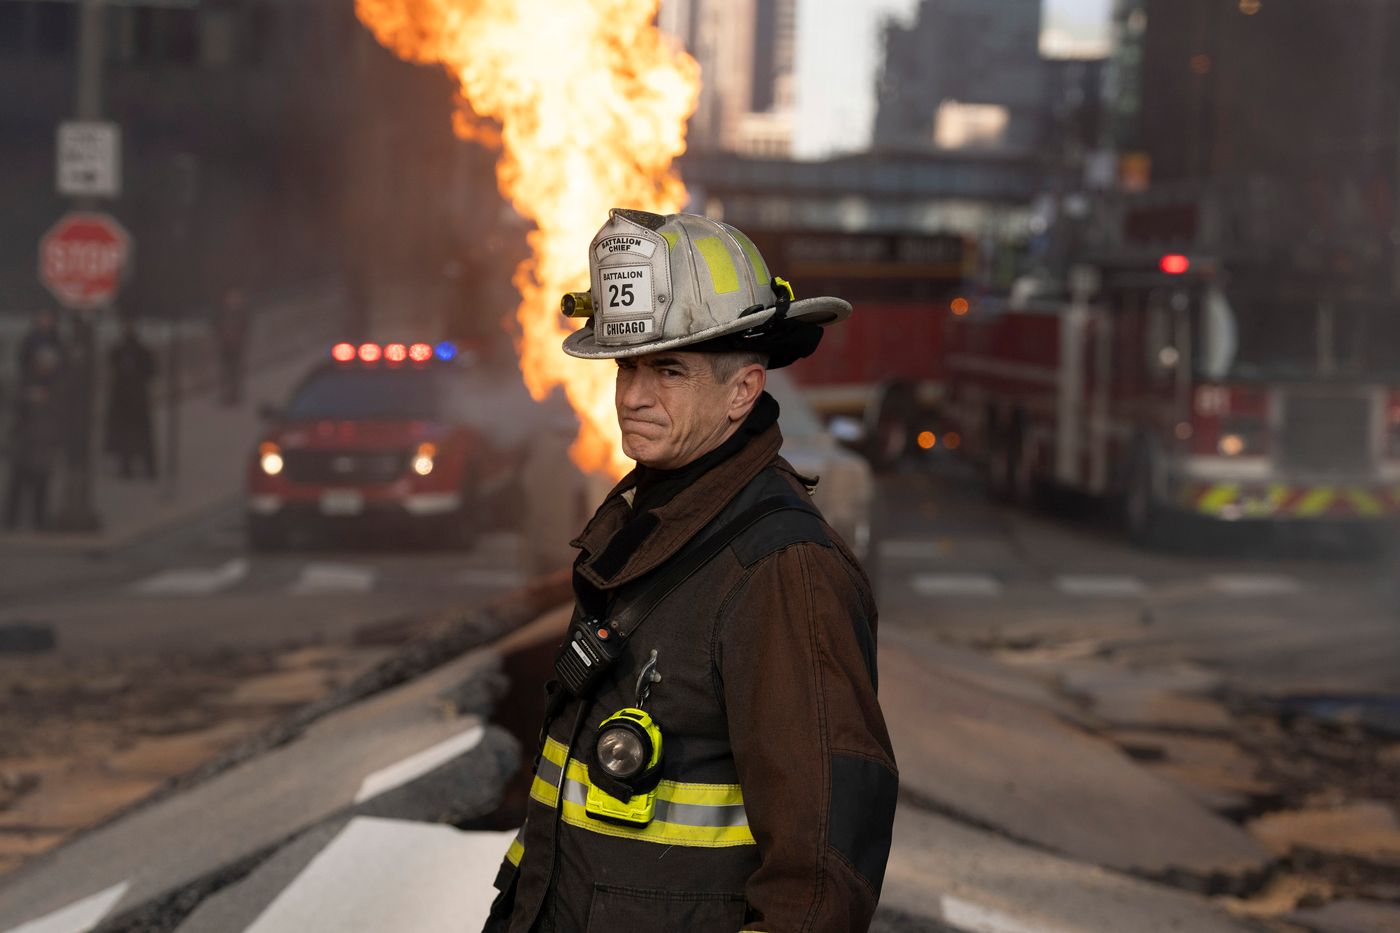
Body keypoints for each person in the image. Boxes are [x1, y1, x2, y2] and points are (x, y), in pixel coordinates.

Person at [485, 209, 897, 933]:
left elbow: (819, 880)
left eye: (668, 370)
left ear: (742, 390)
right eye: (627, 366)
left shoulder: (782, 571)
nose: (633, 396)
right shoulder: (646, 528)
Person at [4, 344, 65, 530]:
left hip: (42, 441)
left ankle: (38, 519)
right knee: (18, 482)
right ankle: (11, 519)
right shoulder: (27, 382)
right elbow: (15, 408)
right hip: (27, 440)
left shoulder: (56, 385)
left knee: (40, 483)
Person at [104, 317, 158, 479]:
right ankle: (127, 467)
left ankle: (146, 468)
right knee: (127, 436)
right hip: (125, 399)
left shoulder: (140, 351)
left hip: (136, 399)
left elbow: (151, 371)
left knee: (140, 437)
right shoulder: (119, 351)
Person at [211, 287, 250, 406]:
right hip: (225, 345)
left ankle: (234, 395)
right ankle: (226, 395)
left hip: (237, 346)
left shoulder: (241, 313)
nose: (232, 301)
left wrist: (238, 337)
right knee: (226, 371)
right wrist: (222, 337)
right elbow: (216, 326)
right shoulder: (222, 313)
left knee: (234, 371)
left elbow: (245, 327)